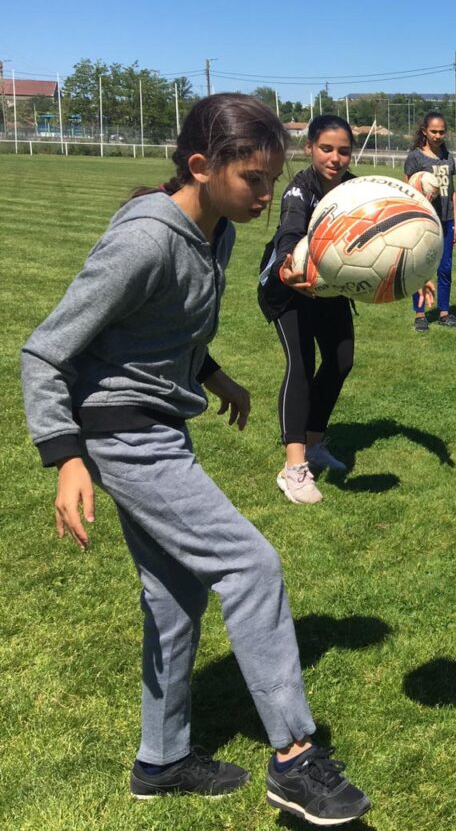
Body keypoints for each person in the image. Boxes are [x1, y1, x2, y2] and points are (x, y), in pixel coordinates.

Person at [20, 94, 372, 825]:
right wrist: (65, 457)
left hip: (158, 426)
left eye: (274, 179)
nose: (268, 195)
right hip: (124, 435)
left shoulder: (215, 231)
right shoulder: (146, 239)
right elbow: (46, 350)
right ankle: (295, 758)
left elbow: (161, 320)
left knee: (175, 603)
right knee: (251, 566)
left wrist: (212, 376)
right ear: (201, 166)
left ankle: (161, 761)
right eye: (254, 180)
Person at [258, 114, 358, 504]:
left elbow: (385, 228)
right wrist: (288, 264)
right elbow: (289, 232)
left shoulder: (354, 189)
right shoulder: (300, 189)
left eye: (344, 150)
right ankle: (294, 467)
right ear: (310, 149)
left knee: (341, 360)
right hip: (288, 285)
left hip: (328, 287)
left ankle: (315, 444)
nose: (335, 157)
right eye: (326, 149)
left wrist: (415, 271)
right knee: (301, 364)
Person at [406, 111, 456, 329]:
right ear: (425, 132)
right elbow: (405, 189)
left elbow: (453, 191)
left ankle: (444, 312)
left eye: (442, 131)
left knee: (445, 268)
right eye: (434, 131)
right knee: (419, 266)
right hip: (422, 222)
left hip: (446, 221)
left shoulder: (448, 157)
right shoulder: (415, 158)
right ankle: (420, 315)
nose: (438, 135)